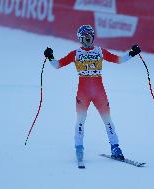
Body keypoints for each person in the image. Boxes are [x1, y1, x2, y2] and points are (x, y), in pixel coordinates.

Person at [44, 25, 141, 162]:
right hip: (83, 92)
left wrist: (132, 53)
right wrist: (50, 56)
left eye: (90, 37)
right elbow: (57, 65)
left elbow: (118, 60)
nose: (88, 40)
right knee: (80, 121)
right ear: (80, 39)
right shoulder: (76, 53)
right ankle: (79, 147)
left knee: (108, 120)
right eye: (85, 38)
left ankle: (115, 147)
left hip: (99, 92)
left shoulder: (99, 51)